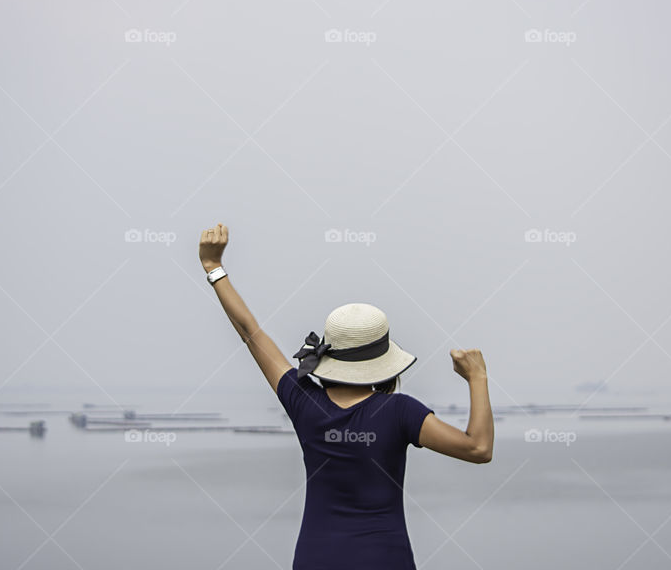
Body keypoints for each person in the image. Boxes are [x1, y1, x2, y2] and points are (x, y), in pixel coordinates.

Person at [198, 223, 495, 569]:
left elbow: (250, 330)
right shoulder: (400, 413)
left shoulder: (302, 401)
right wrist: (478, 377)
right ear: (383, 360)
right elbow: (478, 448)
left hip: (315, 559)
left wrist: (213, 267)